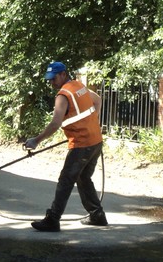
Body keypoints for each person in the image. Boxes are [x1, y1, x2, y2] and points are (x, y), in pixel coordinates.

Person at [25, 61, 108, 232]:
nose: (52, 83)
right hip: (95, 142)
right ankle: (97, 215)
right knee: (83, 178)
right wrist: (91, 123)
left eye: (54, 78)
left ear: (63, 74)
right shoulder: (79, 86)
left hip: (82, 144)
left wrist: (36, 140)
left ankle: (53, 219)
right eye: (49, 80)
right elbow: (97, 101)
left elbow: (56, 123)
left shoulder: (63, 95)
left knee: (66, 181)